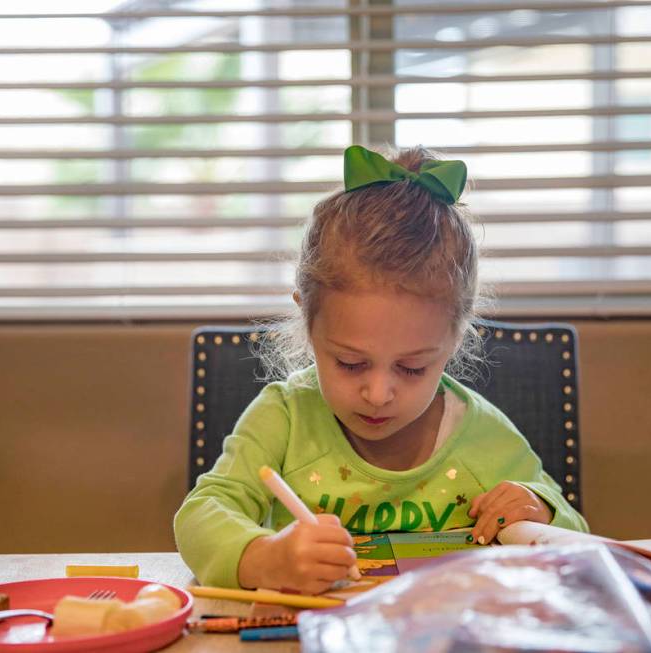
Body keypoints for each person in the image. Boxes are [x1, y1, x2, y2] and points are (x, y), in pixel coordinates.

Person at [174, 145, 588, 594]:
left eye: (412, 368)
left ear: (454, 341)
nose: (377, 393)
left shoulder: (481, 435)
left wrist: (540, 510)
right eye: (351, 363)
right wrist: (264, 559)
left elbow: (577, 536)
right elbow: (201, 514)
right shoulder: (286, 418)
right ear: (309, 324)